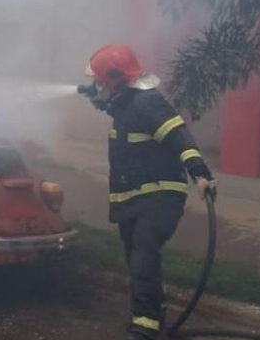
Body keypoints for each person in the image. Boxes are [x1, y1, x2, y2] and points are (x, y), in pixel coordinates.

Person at [80, 44, 217, 340]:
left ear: (114, 78)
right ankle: (153, 311)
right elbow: (118, 109)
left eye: (100, 80)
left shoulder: (148, 103)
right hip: (134, 196)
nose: (98, 85)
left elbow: (178, 135)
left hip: (159, 195)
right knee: (137, 257)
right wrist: (98, 99)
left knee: (143, 252)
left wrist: (200, 173)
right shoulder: (127, 102)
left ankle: (145, 325)